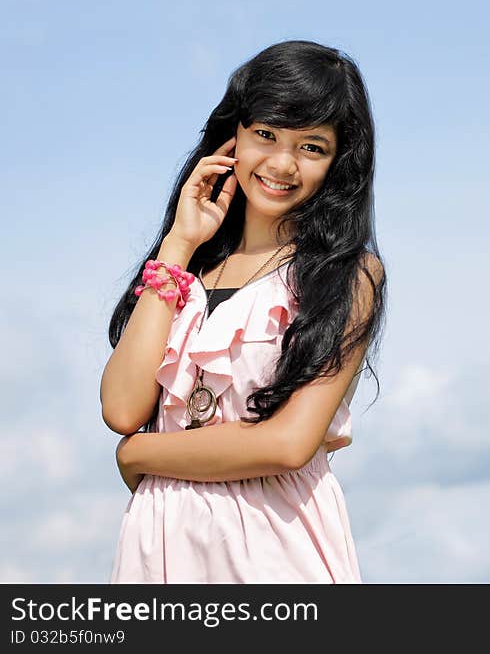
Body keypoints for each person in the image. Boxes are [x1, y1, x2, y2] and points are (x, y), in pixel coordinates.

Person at [101, 40, 386, 583]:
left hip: (274, 546)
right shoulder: (183, 268)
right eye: (265, 135)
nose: (282, 163)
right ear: (234, 134)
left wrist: (139, 454)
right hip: (158, 544)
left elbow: (286, 444)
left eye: (312, 147)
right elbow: (120, 407)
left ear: (337, 162)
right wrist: (179, 244)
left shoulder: (347, 276)